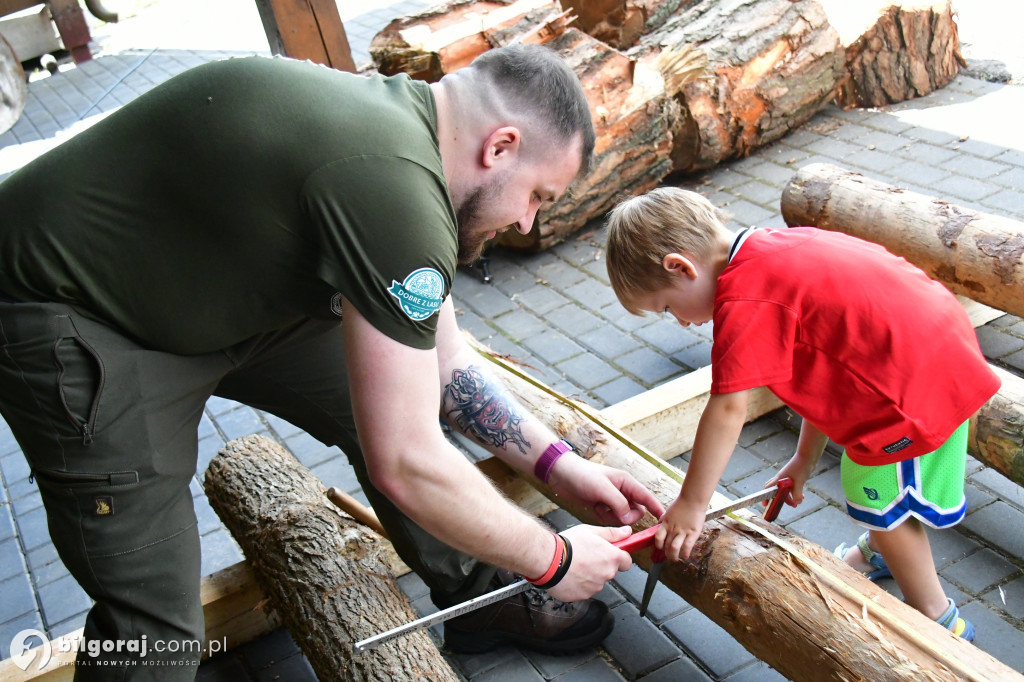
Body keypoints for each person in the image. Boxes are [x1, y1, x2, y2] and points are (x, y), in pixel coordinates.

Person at [0, 46, 664, 679]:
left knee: (380, 396)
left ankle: (481, 594)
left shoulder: (408, 143)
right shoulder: (395, 193)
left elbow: (446, 363)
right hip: (71, 310)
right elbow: (403, 463)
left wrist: (561, 466)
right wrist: (551, 558)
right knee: (155, 622)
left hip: (201, 284)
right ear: (501, 148)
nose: (526, 224)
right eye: (539, 196)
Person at [604, 187, 1001, 641]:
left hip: (913, 390)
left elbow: (728, 406)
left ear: (681, 267)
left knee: (875, 493)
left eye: (667, 306)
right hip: (923, 358)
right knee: (885, 495)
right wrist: (804, 460)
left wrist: (692, 506)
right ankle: (884, 550)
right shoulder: (770, 251)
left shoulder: (744, 301)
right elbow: (823, 375)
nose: (681, 321)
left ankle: (940, 621)